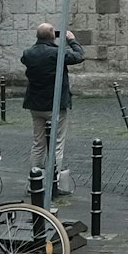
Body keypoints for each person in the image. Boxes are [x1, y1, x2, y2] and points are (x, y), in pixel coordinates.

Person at [21, 21, 82, 195]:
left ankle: (34, 183)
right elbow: (79, 55)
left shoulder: (28, 54)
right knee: (57, 145)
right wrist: (72, 40)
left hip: (35, 105)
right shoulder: (57, 54)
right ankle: (53, 185)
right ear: (52, 37)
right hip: (55, 106)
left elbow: (28, 56)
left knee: (38, 143)